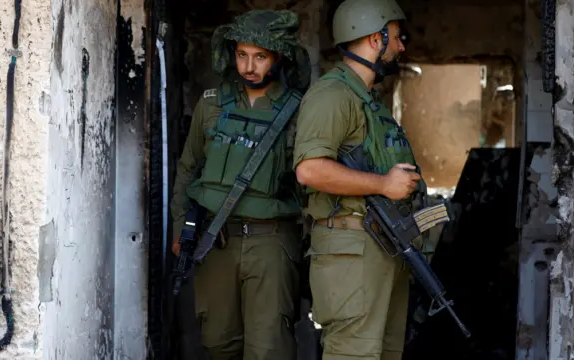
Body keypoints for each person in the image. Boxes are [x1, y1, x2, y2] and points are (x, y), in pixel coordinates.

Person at [169, 9, 311, 360]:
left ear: (278, 57)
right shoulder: (212, 105)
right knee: (217, 343)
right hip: (216, 240)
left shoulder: (300, 111)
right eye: (242, 55)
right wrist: (178, 228)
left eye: (260, 57)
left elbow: (311, 183)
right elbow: (188, 169)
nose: (249, 66)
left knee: (269, 349)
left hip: (272, 241)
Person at [293, 0, 426, 358]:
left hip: (383, 247)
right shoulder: (333, 95)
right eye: (396, 38)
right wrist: (383, 185)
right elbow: (310, 169)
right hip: (352, 251)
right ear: (374, 37)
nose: (401, 47)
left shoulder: (369, 100)